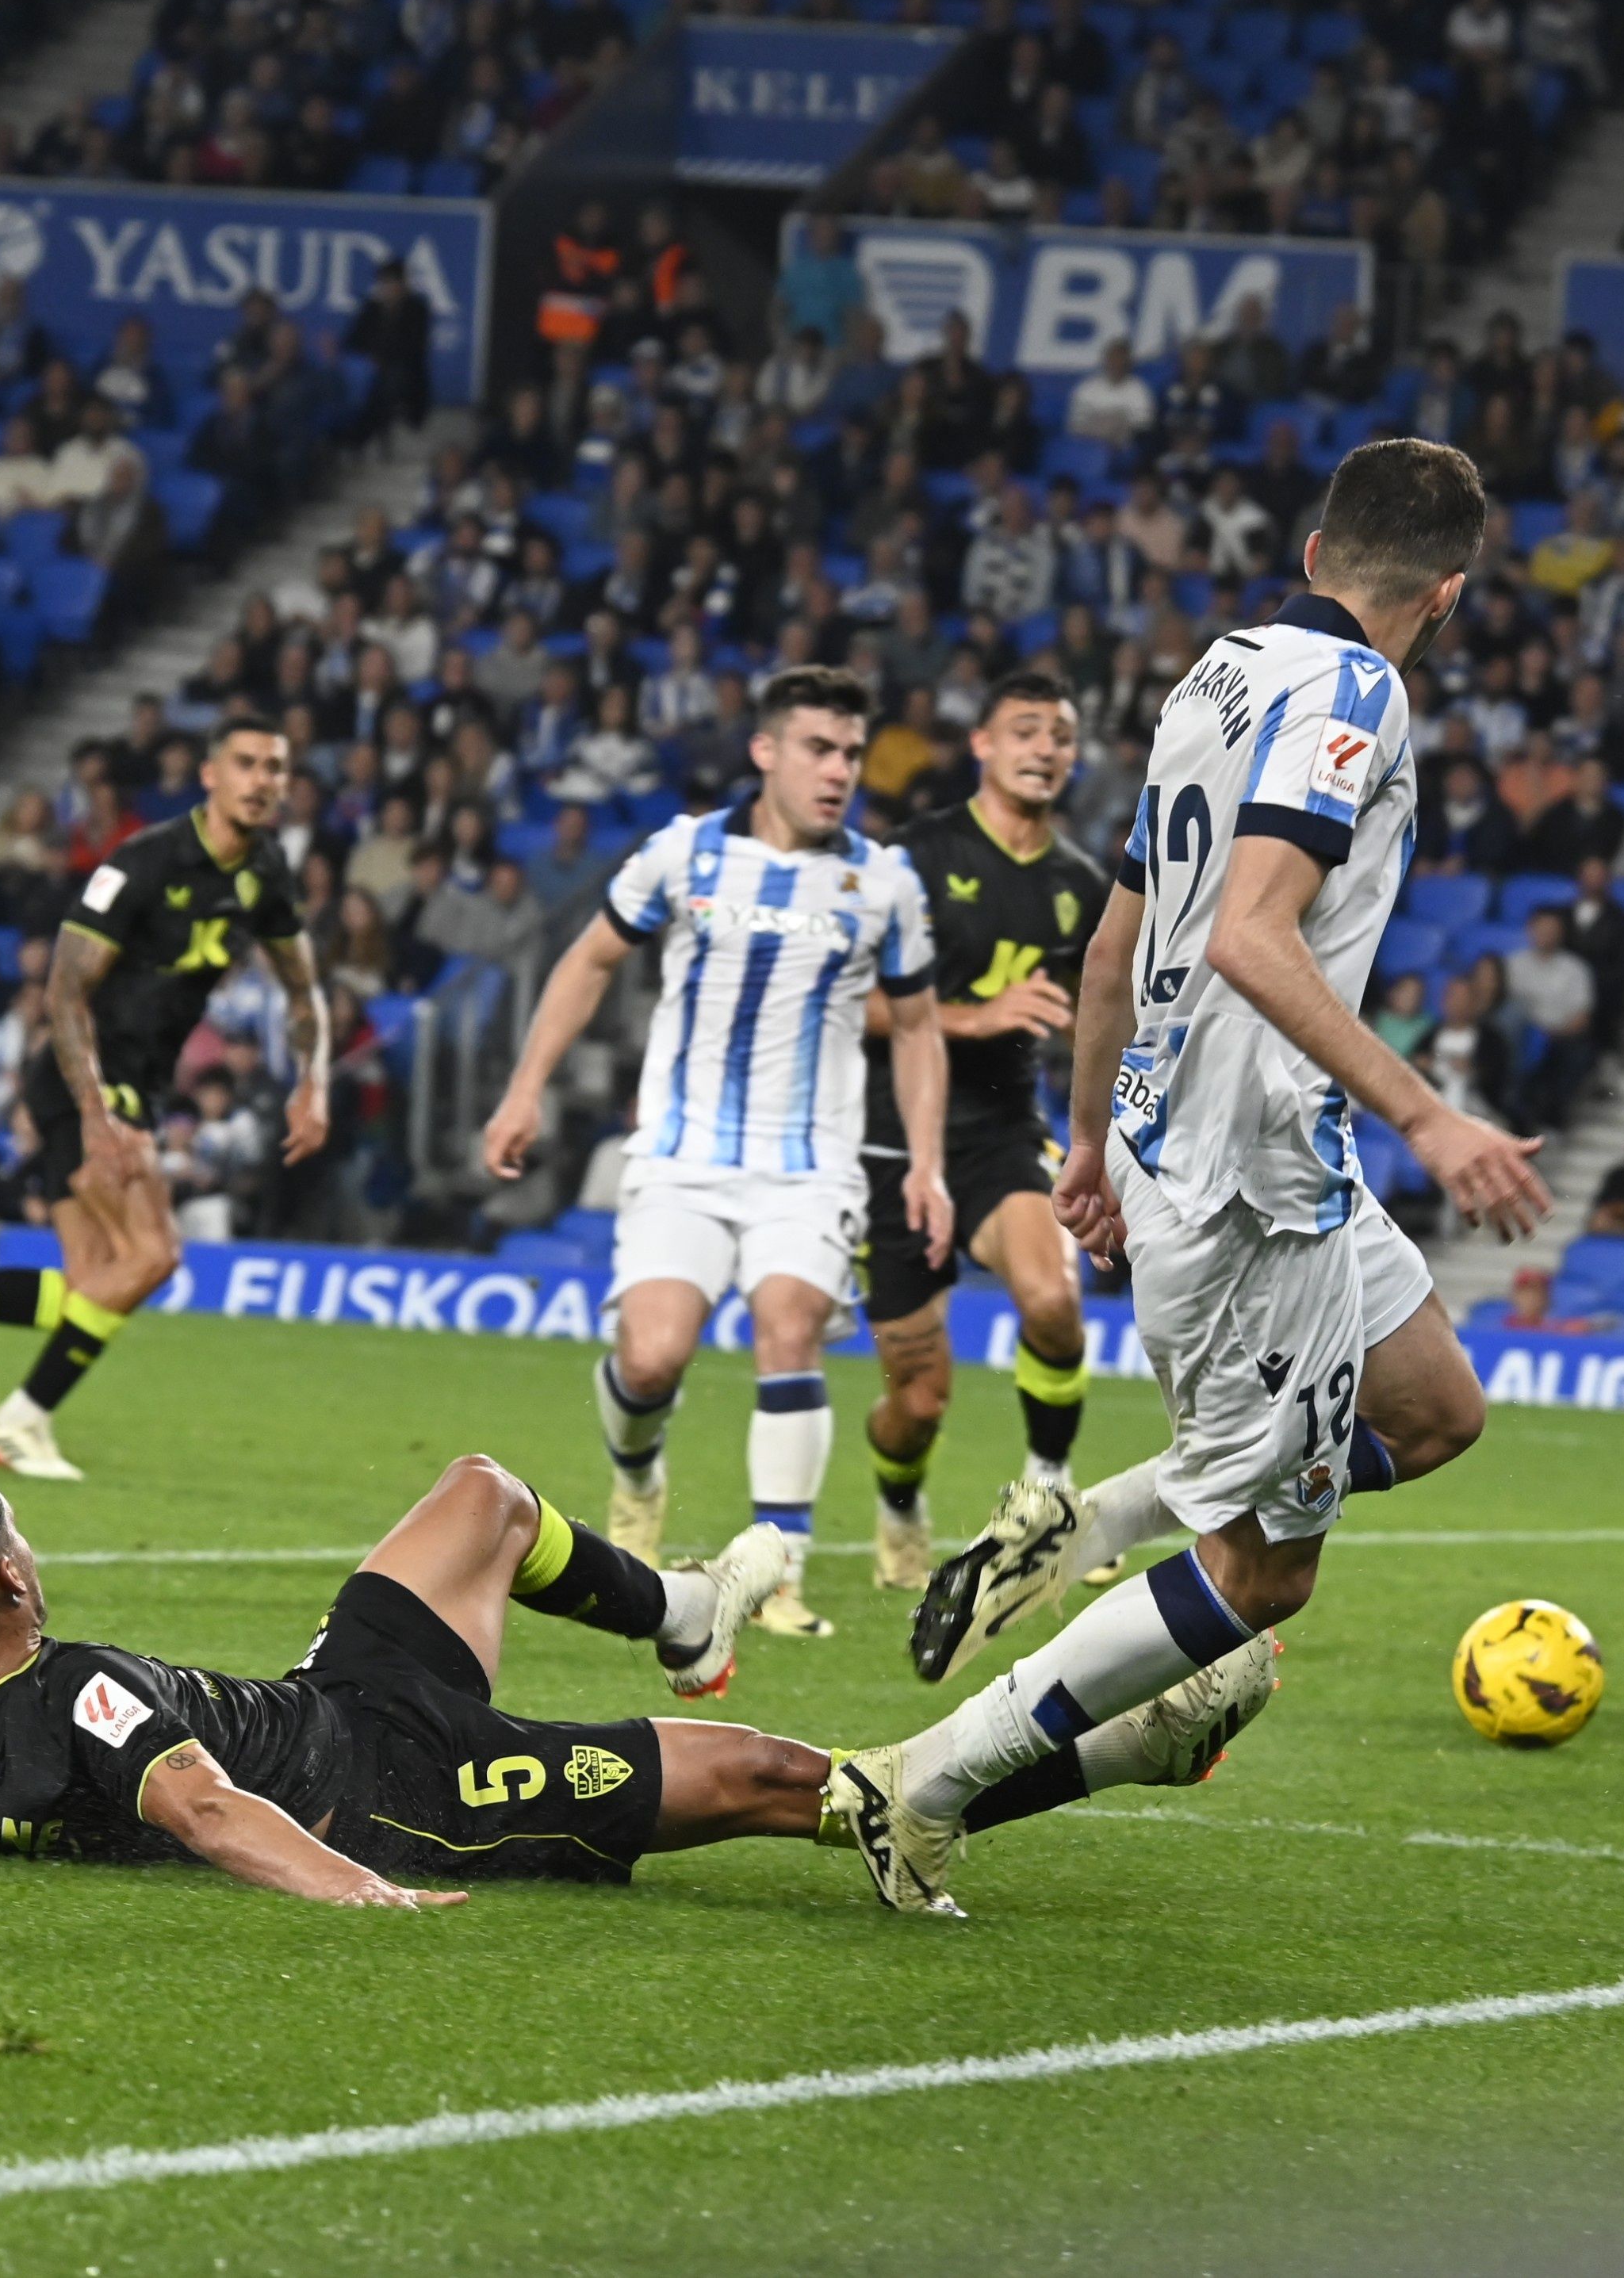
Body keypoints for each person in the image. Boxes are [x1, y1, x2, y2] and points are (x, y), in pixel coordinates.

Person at [852, 439, 1550, 1913]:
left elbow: (1118, 937)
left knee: (1434, 1408)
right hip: (1252, 1180)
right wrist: (1436, 1120)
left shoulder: (1216, 674)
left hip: (1216, 1144)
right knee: (1261, 1577)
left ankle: (1081, 1525)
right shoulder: (1360, 694)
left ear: (1311, 556)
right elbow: (1248, 931)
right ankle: (930, 1785)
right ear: (1450, 591)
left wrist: (1091, 1138)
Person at [0, 1450, 1274, 1897]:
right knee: (794, 1783)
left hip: (333, 1688)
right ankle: (1124, 1746)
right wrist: (366, 1894)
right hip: (394, 1782)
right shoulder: (79, 1687)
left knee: (484, 1498)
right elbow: (198, 1801)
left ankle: (673, 1602)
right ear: (11, 1579)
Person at [475, 668, 948, 1640]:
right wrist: (526, 1090)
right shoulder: (683, 854)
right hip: (681, 1160)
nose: (840, 771)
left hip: (810, 1168)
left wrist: (929, 1164)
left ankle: (778, 1573)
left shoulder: (885, 881)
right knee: (650, 1362)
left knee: (791, 1325)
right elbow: (590, 960)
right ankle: (638, 1477)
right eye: (819, 748)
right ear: (765, 751)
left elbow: (916, 1028)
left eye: (853, 754)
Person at [0, 715, 330, 1482]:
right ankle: (20, 1417)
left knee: (92, 1286)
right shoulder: (145, 862)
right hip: (86, 1071)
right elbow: (63, 987)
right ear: (211, 775)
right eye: (246, 763)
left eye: (275, 767)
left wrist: (314, 1082)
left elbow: (301, 985)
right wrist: (98, 1111)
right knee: (153, 1255)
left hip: (127, 1083)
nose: (261, 780)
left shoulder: (266, 872)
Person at [858, 673, 1111, 1594]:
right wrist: (976, 1014)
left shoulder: (1083, 888)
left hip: (1006, 1135)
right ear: (984, 746)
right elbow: (851, 1002)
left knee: (1053, 1303)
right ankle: (897, 1500)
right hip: (894, 1143)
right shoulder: (912, 859)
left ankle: (1049, 1496)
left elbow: (1097, 1023)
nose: (1045, 748)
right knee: (916, 1404)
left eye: (1061, 735)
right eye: (1026, 731)